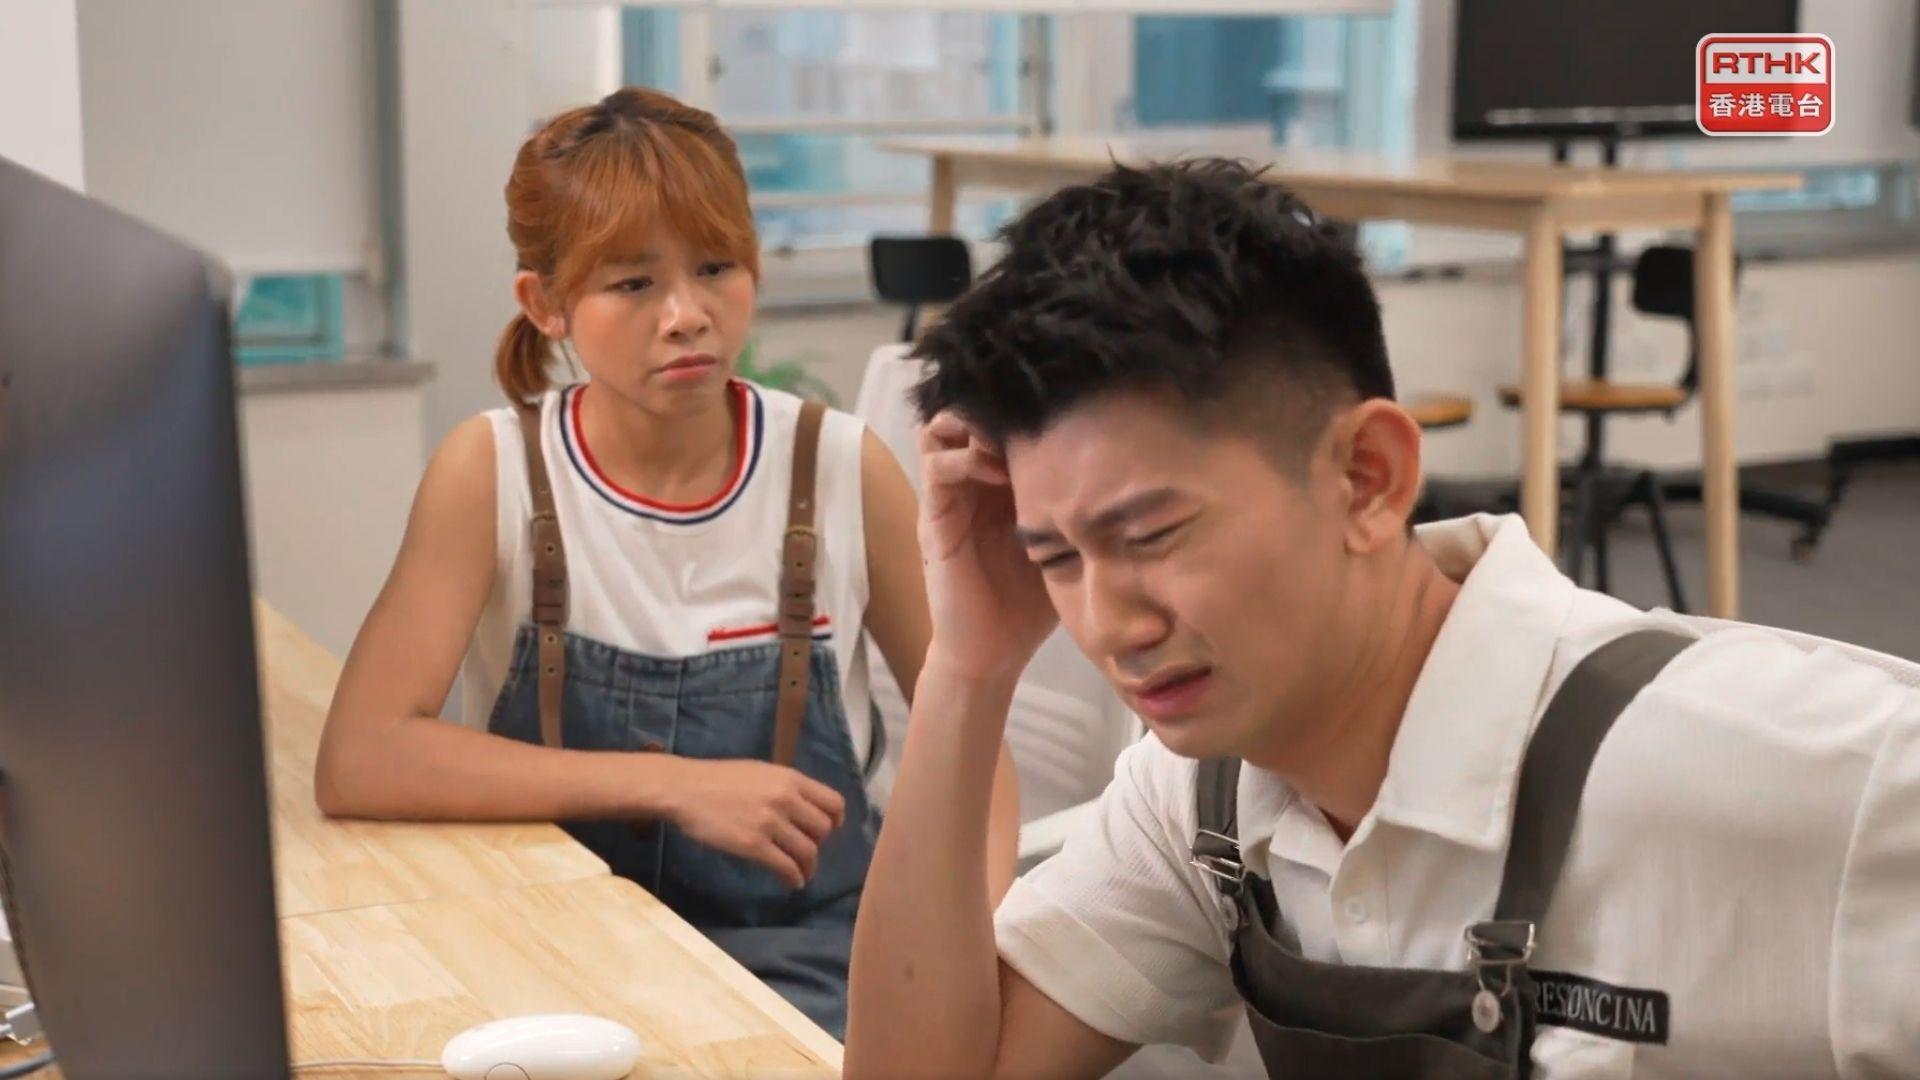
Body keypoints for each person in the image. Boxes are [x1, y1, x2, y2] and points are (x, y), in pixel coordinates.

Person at [844, 158, 1920, 1077]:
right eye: (1056, 558)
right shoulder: (1201, 797)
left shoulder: (1817, 776)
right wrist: (969, 668)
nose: (1110, 624)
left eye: (1153, 535)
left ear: (1368, 476)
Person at [313, 87, 1020, 1039]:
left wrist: (974, 949)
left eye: (716, 267)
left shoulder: (841, 466)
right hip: (553, 947)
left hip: (811, 962)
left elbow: (973, 743)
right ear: (546, 304)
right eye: (633, 283)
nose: (687, 315)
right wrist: (674, 783)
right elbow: (362, 757)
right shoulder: (495, 470)